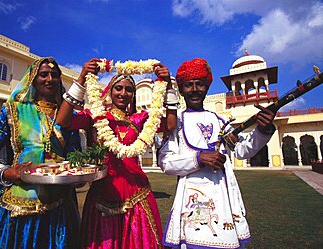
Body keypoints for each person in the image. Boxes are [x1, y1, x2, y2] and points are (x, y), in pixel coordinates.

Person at [56, 58, 177, 249]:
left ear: (133, 95)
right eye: (118, 88)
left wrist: (168, 86)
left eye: (129, 89)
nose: (123, 93)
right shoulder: (95, 116)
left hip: (137, 192)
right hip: (103, 192)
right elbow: (62, 121)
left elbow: (170, 125)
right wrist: (80, 79)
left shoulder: (140, 119)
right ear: (110, 91)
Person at [158, 58, 277, 249]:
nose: (195, 89)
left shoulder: (220, 121)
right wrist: (198, 159)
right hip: (191, 199)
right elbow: (166, 162)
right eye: (188, 85)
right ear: (181, 90)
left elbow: (242, 150)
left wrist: (263, 130)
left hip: (223, 198)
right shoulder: (175, 123)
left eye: (200, 84)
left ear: (206, 88)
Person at [0, 57, 80, 248]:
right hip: (18, 200)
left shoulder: (69, 117)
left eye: (55, 75)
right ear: (33, 79)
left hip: (59, 202)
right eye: (43, 74)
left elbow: (74, 154)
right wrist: (5, 172)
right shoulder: (14, 111)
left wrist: (79, 173)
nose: (50, 79)